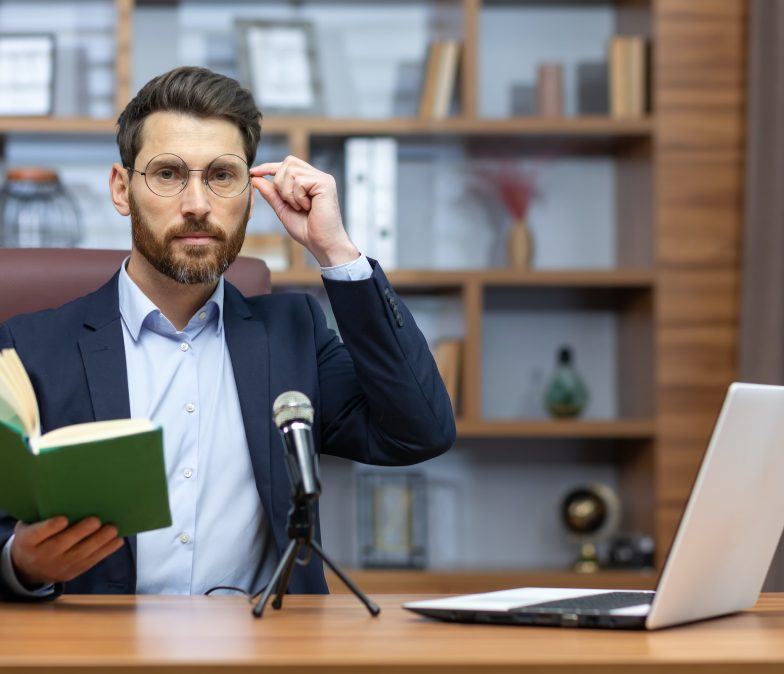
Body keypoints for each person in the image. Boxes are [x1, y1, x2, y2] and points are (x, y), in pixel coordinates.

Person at [0, 66, 455, 600]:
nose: (197, 203)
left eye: (221, 175)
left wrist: (337, 253)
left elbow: (418, 431)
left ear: (250, 190)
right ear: (122, 190)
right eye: (168, 174)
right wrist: (20, 562)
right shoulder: (28, 348)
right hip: (103, 650)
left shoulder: (294, 335)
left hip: (265, 650)